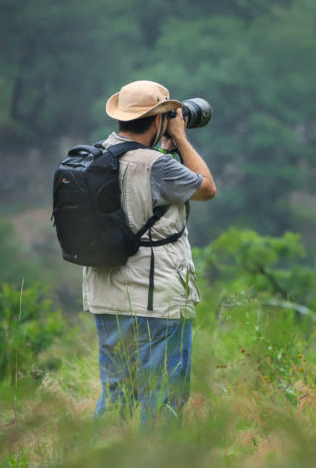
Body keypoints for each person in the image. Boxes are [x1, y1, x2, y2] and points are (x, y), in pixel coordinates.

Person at [82, 80, 216, 426]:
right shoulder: (156, 165)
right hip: (157, 302)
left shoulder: (95, 156)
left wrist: (167, 146)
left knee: (116, 396)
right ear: (158, 120)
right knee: (164, 399)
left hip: (107, 296)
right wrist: (181, 139)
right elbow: (206, 188)